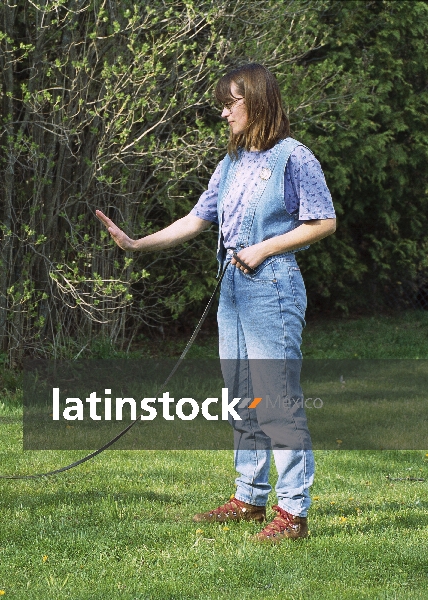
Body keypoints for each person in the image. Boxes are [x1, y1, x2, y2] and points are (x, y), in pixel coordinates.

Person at [95, 63, 336, 542]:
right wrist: (137, 244)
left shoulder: (295, 158)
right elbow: (197, 218)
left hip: (273, 287)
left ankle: (293, 514)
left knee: (276, 398)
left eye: (231, 103)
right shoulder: (230, 164)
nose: (224, 113)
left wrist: (264, 247)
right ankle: (249, 498)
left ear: (258, 101)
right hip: (232, 289)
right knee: (242, 394)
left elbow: (323, 221)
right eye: (223, 105)